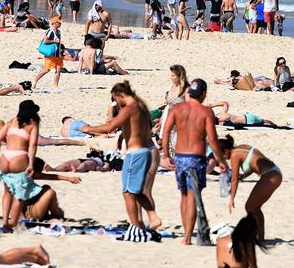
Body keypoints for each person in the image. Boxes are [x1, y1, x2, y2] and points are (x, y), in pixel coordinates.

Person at [81, 81, 161, 240]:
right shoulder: (142, 108)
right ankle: (152, 217)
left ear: (121, 95)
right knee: (135, 191)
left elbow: (110, 127)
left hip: (135, 153)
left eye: (116, 99)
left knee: (128, 192)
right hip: (145, 151)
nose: (117, 103)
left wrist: (88, 129)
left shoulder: (130, 108)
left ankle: (137, 227)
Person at [161, 78, 227, 246]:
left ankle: (186, 233)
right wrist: (220, 161)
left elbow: (166, 132)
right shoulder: (206, 112)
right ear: (203, 94)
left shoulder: (177, 108)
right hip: (196, 158)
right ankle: (187, 238)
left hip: (180, 157)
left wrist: (167, 154)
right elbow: (212, 139)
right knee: (192, 196)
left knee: (183, 195)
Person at [217, 136, 281, 242]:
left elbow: (234, 179)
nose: (224, 159)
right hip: (274, 173)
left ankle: (257, 236)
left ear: (225, 150)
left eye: (222, 156)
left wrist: (231, 199)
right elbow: (253, 163)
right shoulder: (241, 148)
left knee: (250, 206)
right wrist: (243, 176)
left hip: (270, 175)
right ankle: (259, 237)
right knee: (254, 207)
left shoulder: (234, 155)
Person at [0, 100, 43, 230]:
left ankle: (5, 221)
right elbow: (33, 145)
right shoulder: (33, 124)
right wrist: (31, 163)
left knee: (7, 192)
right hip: (19, 157)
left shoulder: (11, 121)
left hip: (5, 157)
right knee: (19, 194)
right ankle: (13, 223)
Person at [32, 16, 63, 89]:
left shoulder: (58, 31)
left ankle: (56, 86)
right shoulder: (50, 31)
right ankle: (35, 81)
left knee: (58, 70)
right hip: (50, 54)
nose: (60, 24)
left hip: (58, 53)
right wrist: (54, 41)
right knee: (46, 69)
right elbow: (45, 41)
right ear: (54, 23)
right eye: (59, 23)